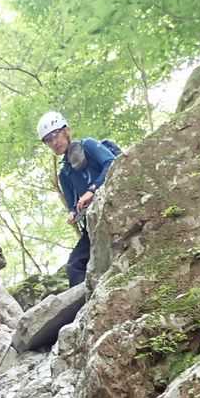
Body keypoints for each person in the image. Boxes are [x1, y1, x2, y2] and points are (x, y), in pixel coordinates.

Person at [36, 110, 117, 286]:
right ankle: (90, 300)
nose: (54, 142)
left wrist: (92, 189)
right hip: (94, 222)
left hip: (115, 204)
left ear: (66, 131)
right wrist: (73, 213)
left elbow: (111, 162)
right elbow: (73, 205)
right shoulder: (64, 174)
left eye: (55, 135)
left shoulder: (88, 145)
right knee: (74, 266)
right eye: (48, 140)